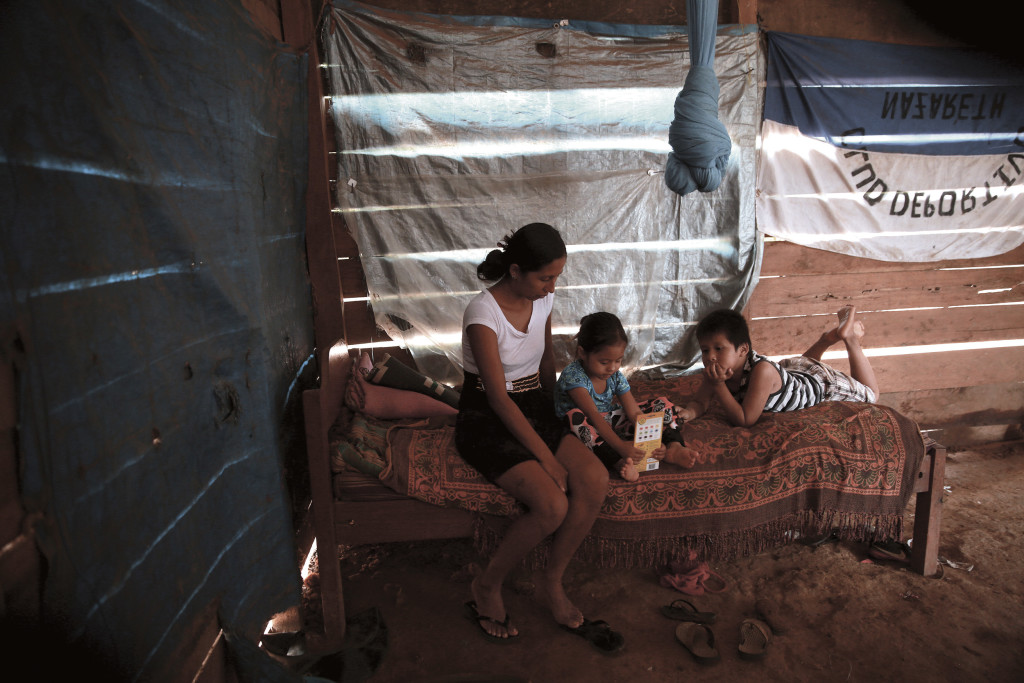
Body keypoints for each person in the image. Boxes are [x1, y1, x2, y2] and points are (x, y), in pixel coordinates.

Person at [455, 223, 624, 652]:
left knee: (595, 480)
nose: (553, 286)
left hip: (533, 405)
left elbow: (545, 361)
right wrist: (549, 461)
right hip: (487, 417)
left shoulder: (542, 298)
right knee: (551, 504)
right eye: (545, 277)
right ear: (515, 271)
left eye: (556, 277)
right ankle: (487, 584)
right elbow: (497, 398)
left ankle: (552, 581)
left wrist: (561, 415)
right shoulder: (483, 314)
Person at [677, 305, 879, 427]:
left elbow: (746, 419)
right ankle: (825, 340)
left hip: (820, 382)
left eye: (718, 349)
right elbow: (700, 403)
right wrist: (689, 413)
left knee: (872, 395)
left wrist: (719, 386)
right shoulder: (715, 372)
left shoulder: (761, 371)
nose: (710, 357)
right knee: (797, 372)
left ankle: (849, 338)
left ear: (742, 349)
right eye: (705, 350)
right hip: (793, 369)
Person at [554, 312, 698, 480]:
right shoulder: (574, 377)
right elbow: (593, 417)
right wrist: (620, 447)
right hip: (584, 427)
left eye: (618, 360)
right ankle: (617, 461)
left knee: (662, 405)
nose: (612, 368)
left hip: (607, 420)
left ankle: (672, 446)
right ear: (582, 353)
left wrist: (650, 438)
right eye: (604, 362)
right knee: (576, 418)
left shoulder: (615, 375)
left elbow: (634, 413)